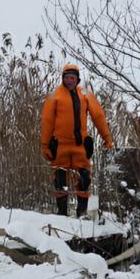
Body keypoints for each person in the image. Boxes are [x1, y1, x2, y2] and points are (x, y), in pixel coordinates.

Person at [40, 63, 114, 217]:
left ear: (77, 79)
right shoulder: (54, 95)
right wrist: (45, 145)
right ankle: (62, 213)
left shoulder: (86, 94)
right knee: (60, 179)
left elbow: (98, 117)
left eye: (72, 77)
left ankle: (82, 213)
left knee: (84, 178)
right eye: (66, 77)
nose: (69, 80)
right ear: (63, 78)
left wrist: (107, 139)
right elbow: (47, 121)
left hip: (80, 146)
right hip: (60, 145)